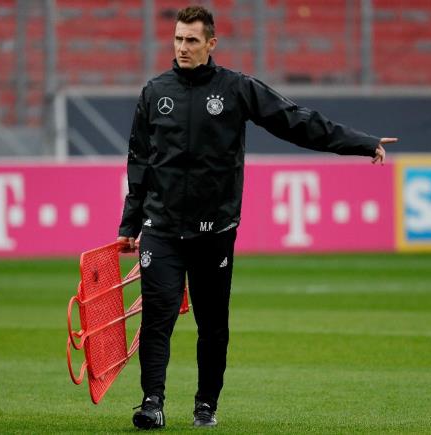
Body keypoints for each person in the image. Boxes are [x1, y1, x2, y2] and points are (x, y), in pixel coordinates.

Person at [117, 5, 397, 430]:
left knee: (213, 326)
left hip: (214, 231)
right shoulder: (155, 92)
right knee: (157, 319)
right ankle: (151, 402)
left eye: (192, 40)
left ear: (211, 43)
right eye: (177, 39)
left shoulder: (236, 89)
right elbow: (139, 161)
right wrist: (129, 224)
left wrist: (360, 143)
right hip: (162, 229)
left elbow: (295, 121)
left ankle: (205, 405)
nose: (182, 47)